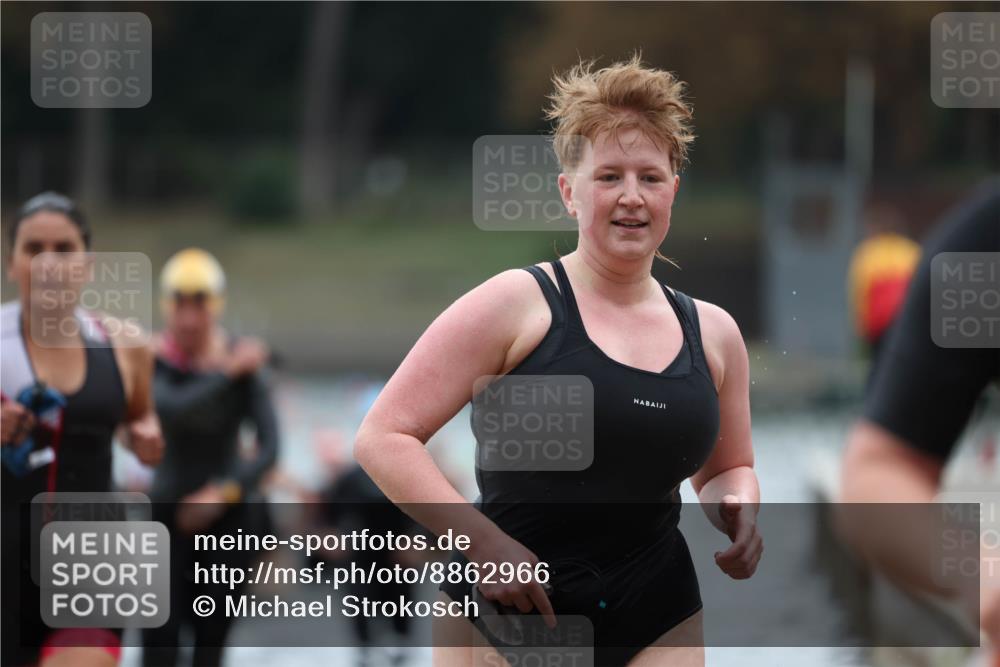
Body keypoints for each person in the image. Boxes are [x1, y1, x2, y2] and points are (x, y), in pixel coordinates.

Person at [355, 54, 762, 667]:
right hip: (511, 606)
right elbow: (384, 436)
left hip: (657, 607)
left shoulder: (715, 333)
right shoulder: (514, 305)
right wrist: (483, 545)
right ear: (569, 192)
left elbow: (727, 469)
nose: (631, 197)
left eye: (650, 177)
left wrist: (740, 507)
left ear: (673, 190)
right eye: (609, 177)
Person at [1, 191, 164, 667]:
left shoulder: (127, 345)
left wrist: (145, 433)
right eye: (34, 249)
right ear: (13, 263)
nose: (49, 263)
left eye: (64, 249)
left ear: (86, 264)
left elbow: (139, 416)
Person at [840, 180, 1000, 662]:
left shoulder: (871, 258)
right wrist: (983, 574)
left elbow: (862, 304)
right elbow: (876, 470)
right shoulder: (975, 247)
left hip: (883, 336)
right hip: (898, 339)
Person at [140, 248, 280, 667]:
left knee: (210, 644)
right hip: (165, 515)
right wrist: (226, 372)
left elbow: (271, 448)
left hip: (229, 518)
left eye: (198, 307)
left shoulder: (246, 366)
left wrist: (224, 491)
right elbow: (173, 408)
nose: (188, 320)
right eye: (179, 307)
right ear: (167, 307)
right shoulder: (155, 361)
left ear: (214, 307)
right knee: (158, 645)